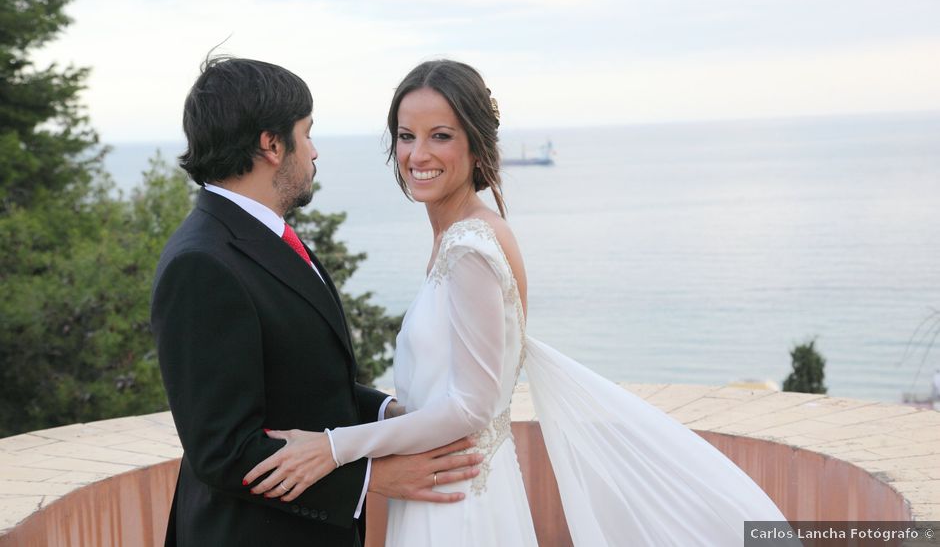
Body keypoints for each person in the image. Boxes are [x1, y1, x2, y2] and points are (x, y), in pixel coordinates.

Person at [242, 59, 789, 546]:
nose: (418, 154)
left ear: (476, 145)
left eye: (441, 136)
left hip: (459, 503)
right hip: (446, 483)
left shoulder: (471, 245)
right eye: (406, 136)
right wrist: (391, 415)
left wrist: (336, 447)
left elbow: (471, 408)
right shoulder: (457, 236)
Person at [150, 57, 483, 547]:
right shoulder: (202, 264)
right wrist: (371, 478)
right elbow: (222, 451)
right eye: (306, 134)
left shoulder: (266, 234)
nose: (314, 152)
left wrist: (391, 412)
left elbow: (307, 383)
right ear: (271, 144)